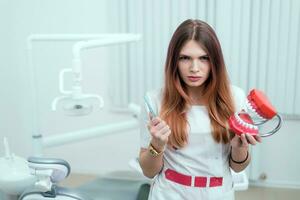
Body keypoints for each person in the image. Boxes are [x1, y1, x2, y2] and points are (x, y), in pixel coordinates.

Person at [138, 19, 262, 200]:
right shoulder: (154, 100)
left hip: (218, 194)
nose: (194, 68)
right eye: (185, 58)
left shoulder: (235, 97)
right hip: (169, 194)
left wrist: (239, 148)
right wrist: (157, 145)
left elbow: (238, 167)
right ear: (174, 61)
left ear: (215, 61)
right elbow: (149, 172)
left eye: (204, 58)